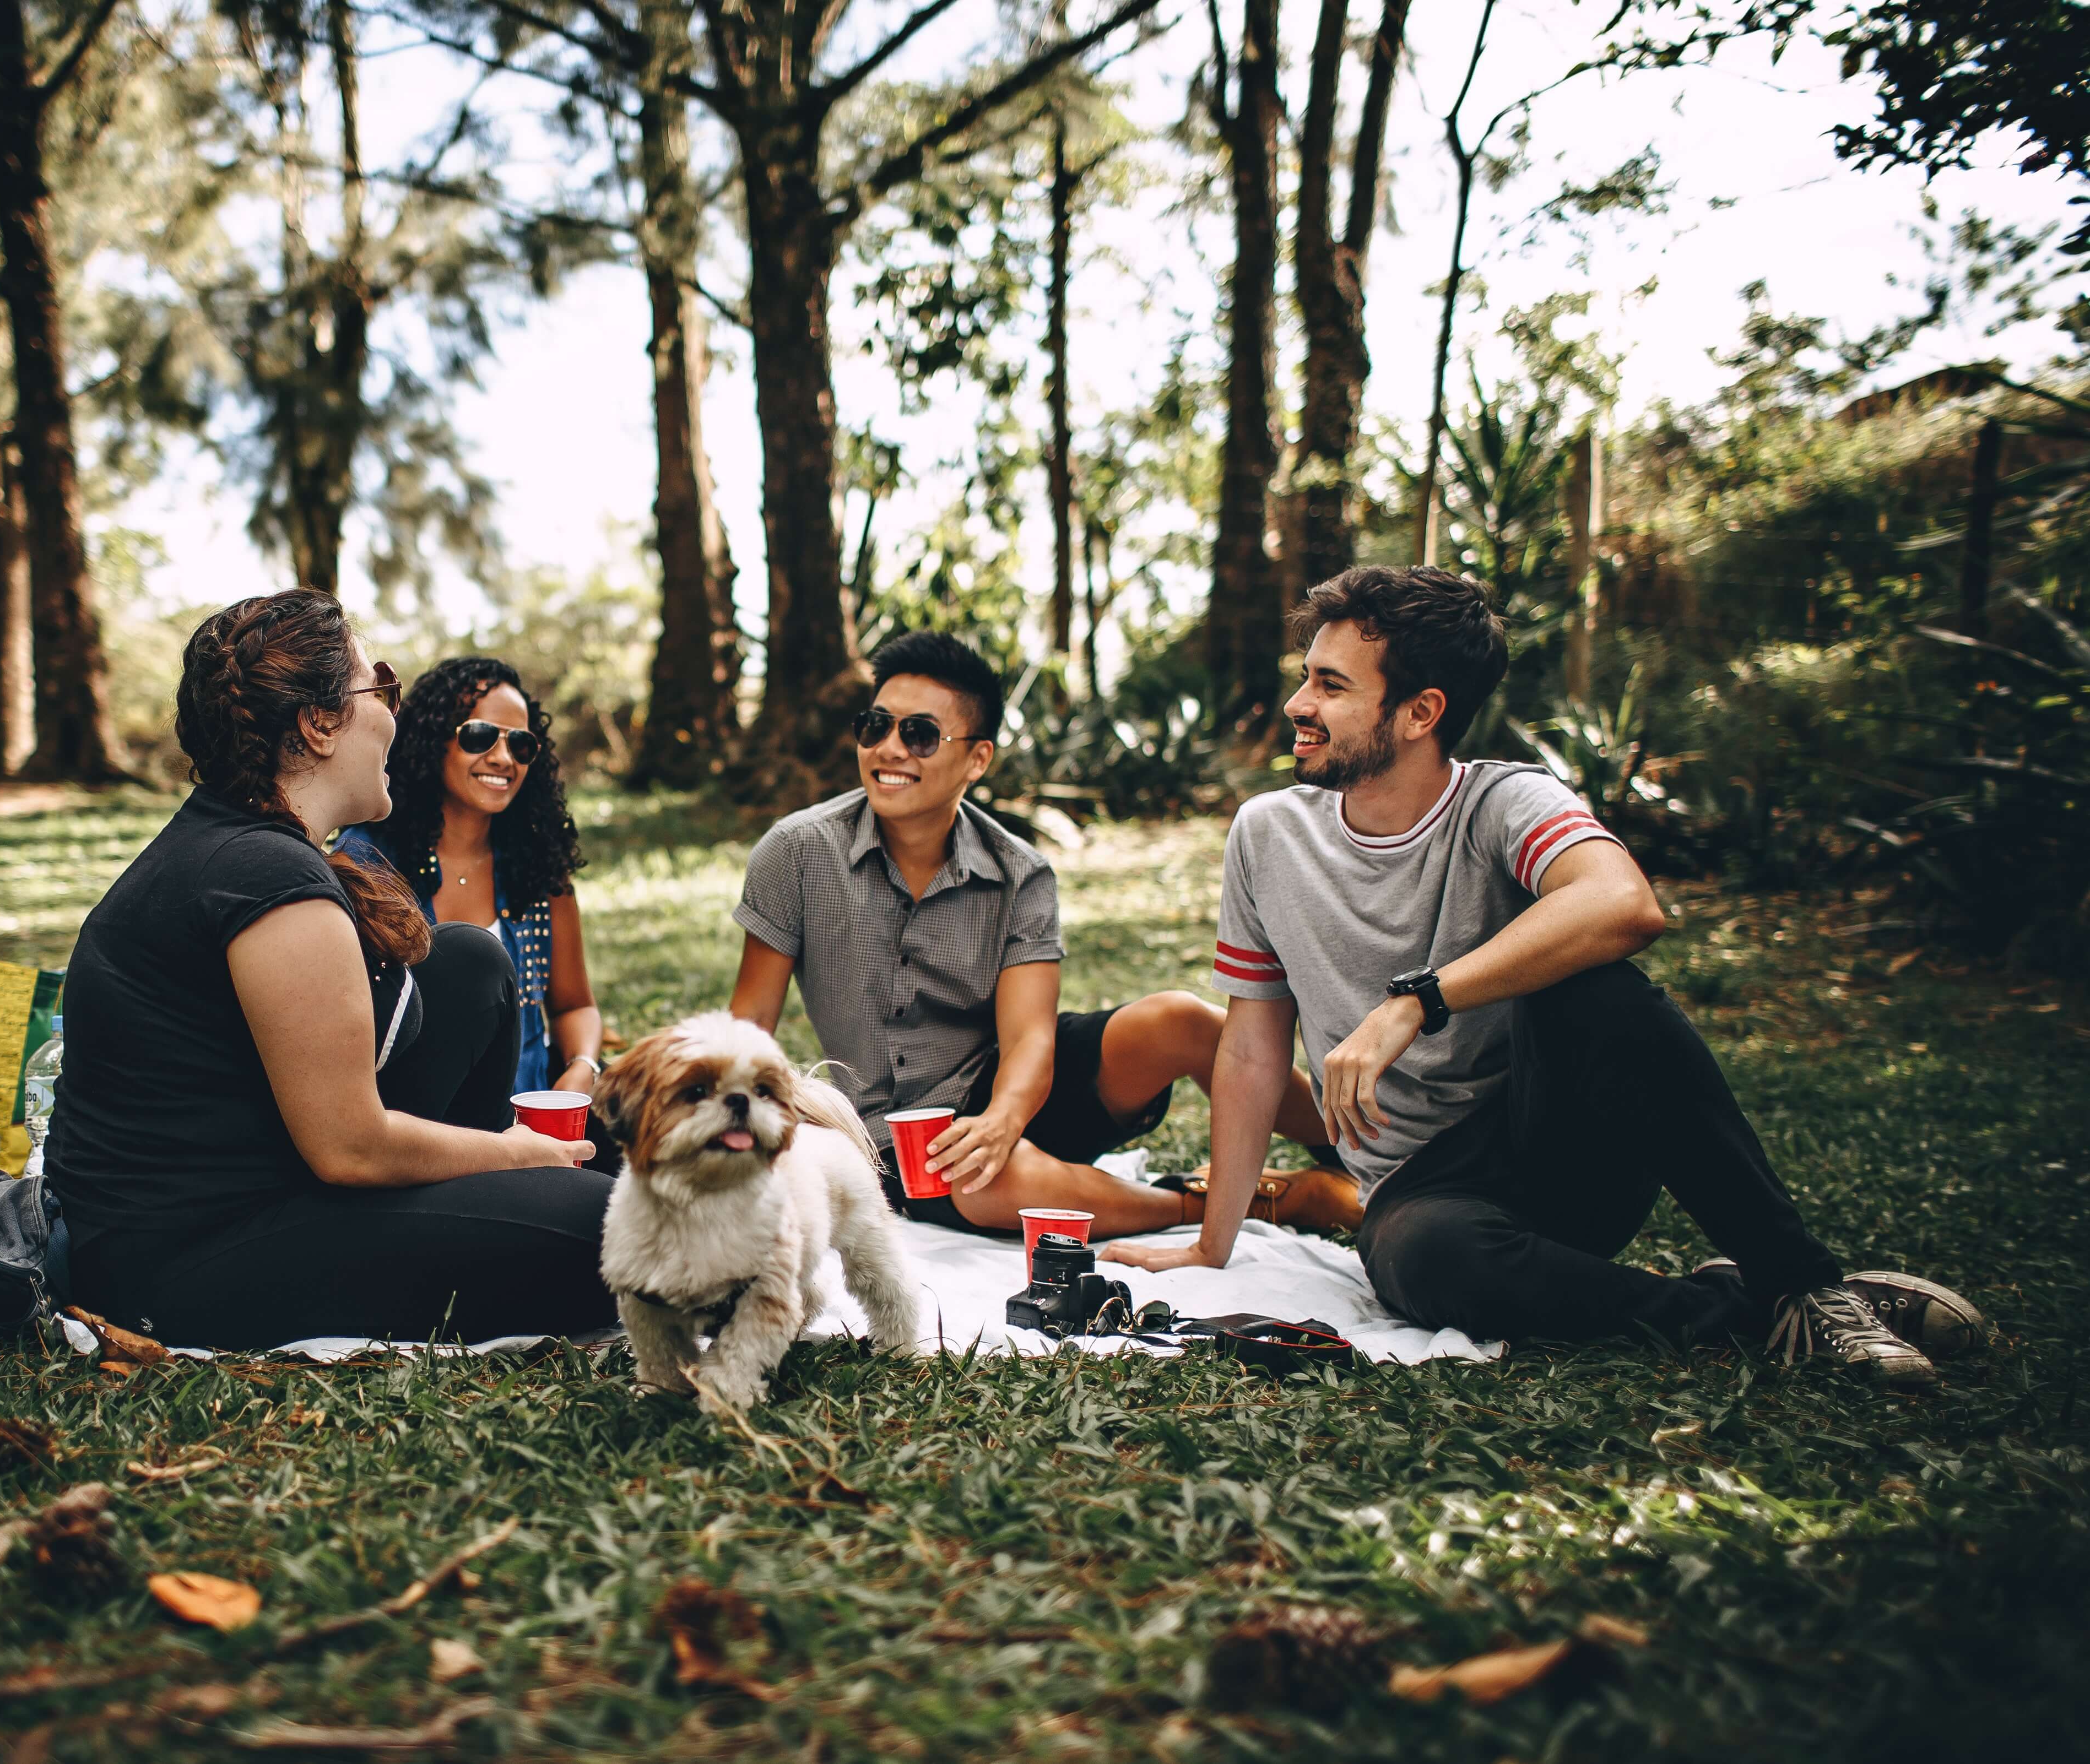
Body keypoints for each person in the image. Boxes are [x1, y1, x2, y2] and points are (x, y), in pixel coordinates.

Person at [1104, 565, 1986, 1387]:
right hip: (1424, 1196)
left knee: (1598, 986)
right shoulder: (1268, 834)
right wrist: (1211, 1247)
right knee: (1425, 1261)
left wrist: (1421, 998)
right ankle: (1752, 1308)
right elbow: (1254, 1049)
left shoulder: (1505, 800)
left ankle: (1805, 1280)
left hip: (1562, 1147)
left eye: (1331, 685)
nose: (1298, 702)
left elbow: (1624, 902)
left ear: (1420, 712)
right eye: (1309, 675)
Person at [45, 591, 616, 1350]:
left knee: (469, 962)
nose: (392, 713)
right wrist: (519, 1150)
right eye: (379, 686)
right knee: (614, 1231)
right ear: (318, 724)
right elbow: (350, 1147)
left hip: (263, 1176)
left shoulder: (245, 842)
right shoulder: (266, 878)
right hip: (180, 1260)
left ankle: (502, 1200)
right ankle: (517, 1199)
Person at [728, 630, 1356, 1237]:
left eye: (919, 734)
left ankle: (1362, 1157)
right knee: (986, 1182)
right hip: (900, 1138)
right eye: (876, 726)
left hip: (1015, 1087)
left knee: (1182, 1020)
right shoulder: (798, 852)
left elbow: (1030, 1037)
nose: (889, 749)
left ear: (977, 758)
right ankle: (1249, 1200)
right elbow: (749, 1021)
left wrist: (1003, 1118)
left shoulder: (1020, 873)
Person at [332, 656, 603, 1103]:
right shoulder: (366, 862)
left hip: (533, 1119)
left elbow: (575, 1005)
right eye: (479, 736)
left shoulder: (537, 864)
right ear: (431, 741)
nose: (502, 758)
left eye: (521, 745)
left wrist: (581, 1069)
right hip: (420, 1126)